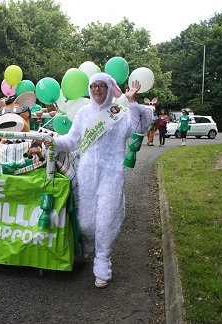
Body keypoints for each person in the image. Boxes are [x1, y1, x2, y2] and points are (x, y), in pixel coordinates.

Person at [44, 73, 152, 288]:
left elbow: (139, 128)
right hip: (87, 173)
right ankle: (89, 242)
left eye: (101, 86)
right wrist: (52, 142)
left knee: (105, 219)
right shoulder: (83, 113)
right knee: (85, 222)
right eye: (93, 86)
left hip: (112, 173)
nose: (96, 90)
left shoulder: (119, 114)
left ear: (109, 88)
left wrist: (132, 101)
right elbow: (72, 140)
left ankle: (102, 260)